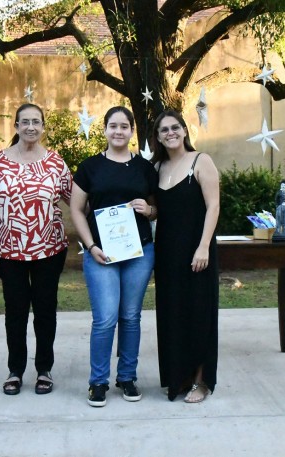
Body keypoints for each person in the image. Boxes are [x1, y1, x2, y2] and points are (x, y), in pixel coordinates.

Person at [0, 103, 72, 396]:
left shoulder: (56, 162)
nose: (31, 127)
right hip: (9, 251)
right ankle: (15, 370)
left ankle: (44, 369)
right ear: (16, 126)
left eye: (36, 122)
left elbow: (77, 201)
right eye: (25, 122)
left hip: (49, 249)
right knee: (15, 312)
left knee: (45, 311)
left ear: (43, 127)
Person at [70, 106, 157, 407]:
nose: (118, 131)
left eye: (124, 126)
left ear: (132, 131)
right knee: (105, 319)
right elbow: (76, 211)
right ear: (104, 130)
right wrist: (91, 245)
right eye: (112, 126)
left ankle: (127, 377)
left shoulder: (145, 168)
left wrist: (150, 210)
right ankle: (97, 382)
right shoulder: (90, 167)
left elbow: (156, 207)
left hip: (139, 251)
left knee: (131, 317)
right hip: (101, 253)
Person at [150, 110, 220, 403]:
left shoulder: (201, 161)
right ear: (157, 137)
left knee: (199, 315)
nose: (170, 133)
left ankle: (201, 382)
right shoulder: (156, 167)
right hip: (166, 253)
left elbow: (214, 206)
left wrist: (203, 246)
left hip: (197, 251)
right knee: (172, 314)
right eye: (164, 129)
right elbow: (157, 210)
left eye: (175, 127)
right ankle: (179, 377)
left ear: (184, 130)